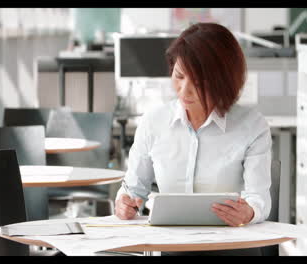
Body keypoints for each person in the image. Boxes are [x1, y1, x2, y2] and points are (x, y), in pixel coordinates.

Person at [114, 23, 272, 256]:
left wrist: (248, 212)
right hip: (170, 248)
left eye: (199, 82)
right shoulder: (154, 122)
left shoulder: (252, 125)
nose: (184, 91)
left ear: (223, 81)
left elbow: (258, 198)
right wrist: (124, 203)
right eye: (179, 76)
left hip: (231, 246)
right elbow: (133, 189)